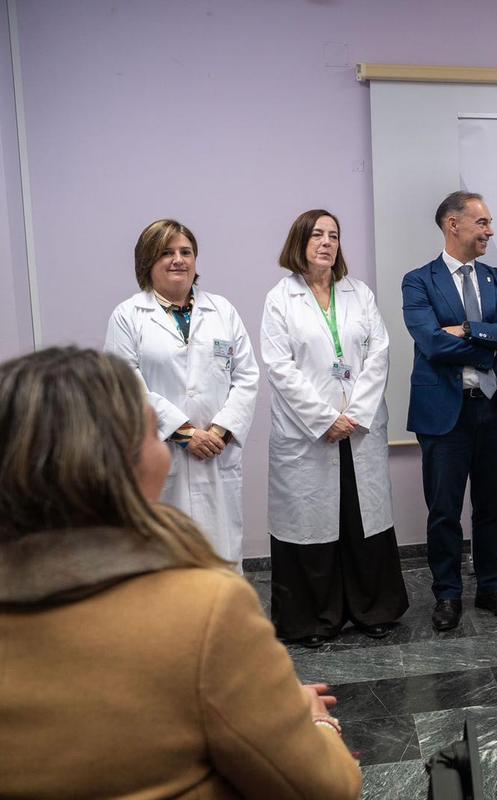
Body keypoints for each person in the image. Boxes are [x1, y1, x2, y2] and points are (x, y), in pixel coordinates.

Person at [0, 347, 361, 799]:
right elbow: (327, 787)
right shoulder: (205, 611)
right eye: (155, 429)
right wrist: (313, 721)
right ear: (125, 460)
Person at [260, 209, 407, 647]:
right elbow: (279, 367)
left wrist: (354, 414)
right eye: (317, 235)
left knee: (363, 521)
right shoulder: (280, 299)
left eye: (334, 236)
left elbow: (379, 353)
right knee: (311, 523)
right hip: (309, 433)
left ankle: (372, 609)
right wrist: (325, 418)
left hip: (358, 428)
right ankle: (311, 619)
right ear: (300, 242)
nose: (327, 242)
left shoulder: (359, 293)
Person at [402, 191, 497, 632]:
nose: (490, 231)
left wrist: (467, 329)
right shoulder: (418, 281)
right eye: (482, 222)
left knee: (492, 506)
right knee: (444, 510)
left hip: (494, 409)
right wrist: (493, 339)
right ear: (452, 224)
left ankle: (492, 587)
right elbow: (432, 343)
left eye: (489, 222)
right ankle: (448, 594)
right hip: (444, 415)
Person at [104, 219, 259, 569]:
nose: (178, 260)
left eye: (185, 252)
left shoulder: (222, 311)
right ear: (148, 261)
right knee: (167, 561)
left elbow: (247, 376)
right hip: (162, 453)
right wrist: (183, 432)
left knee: (221, 559)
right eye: (166, 253)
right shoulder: (128, 316)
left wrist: (220, 431)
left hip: (217, 453)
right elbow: (123, 381)